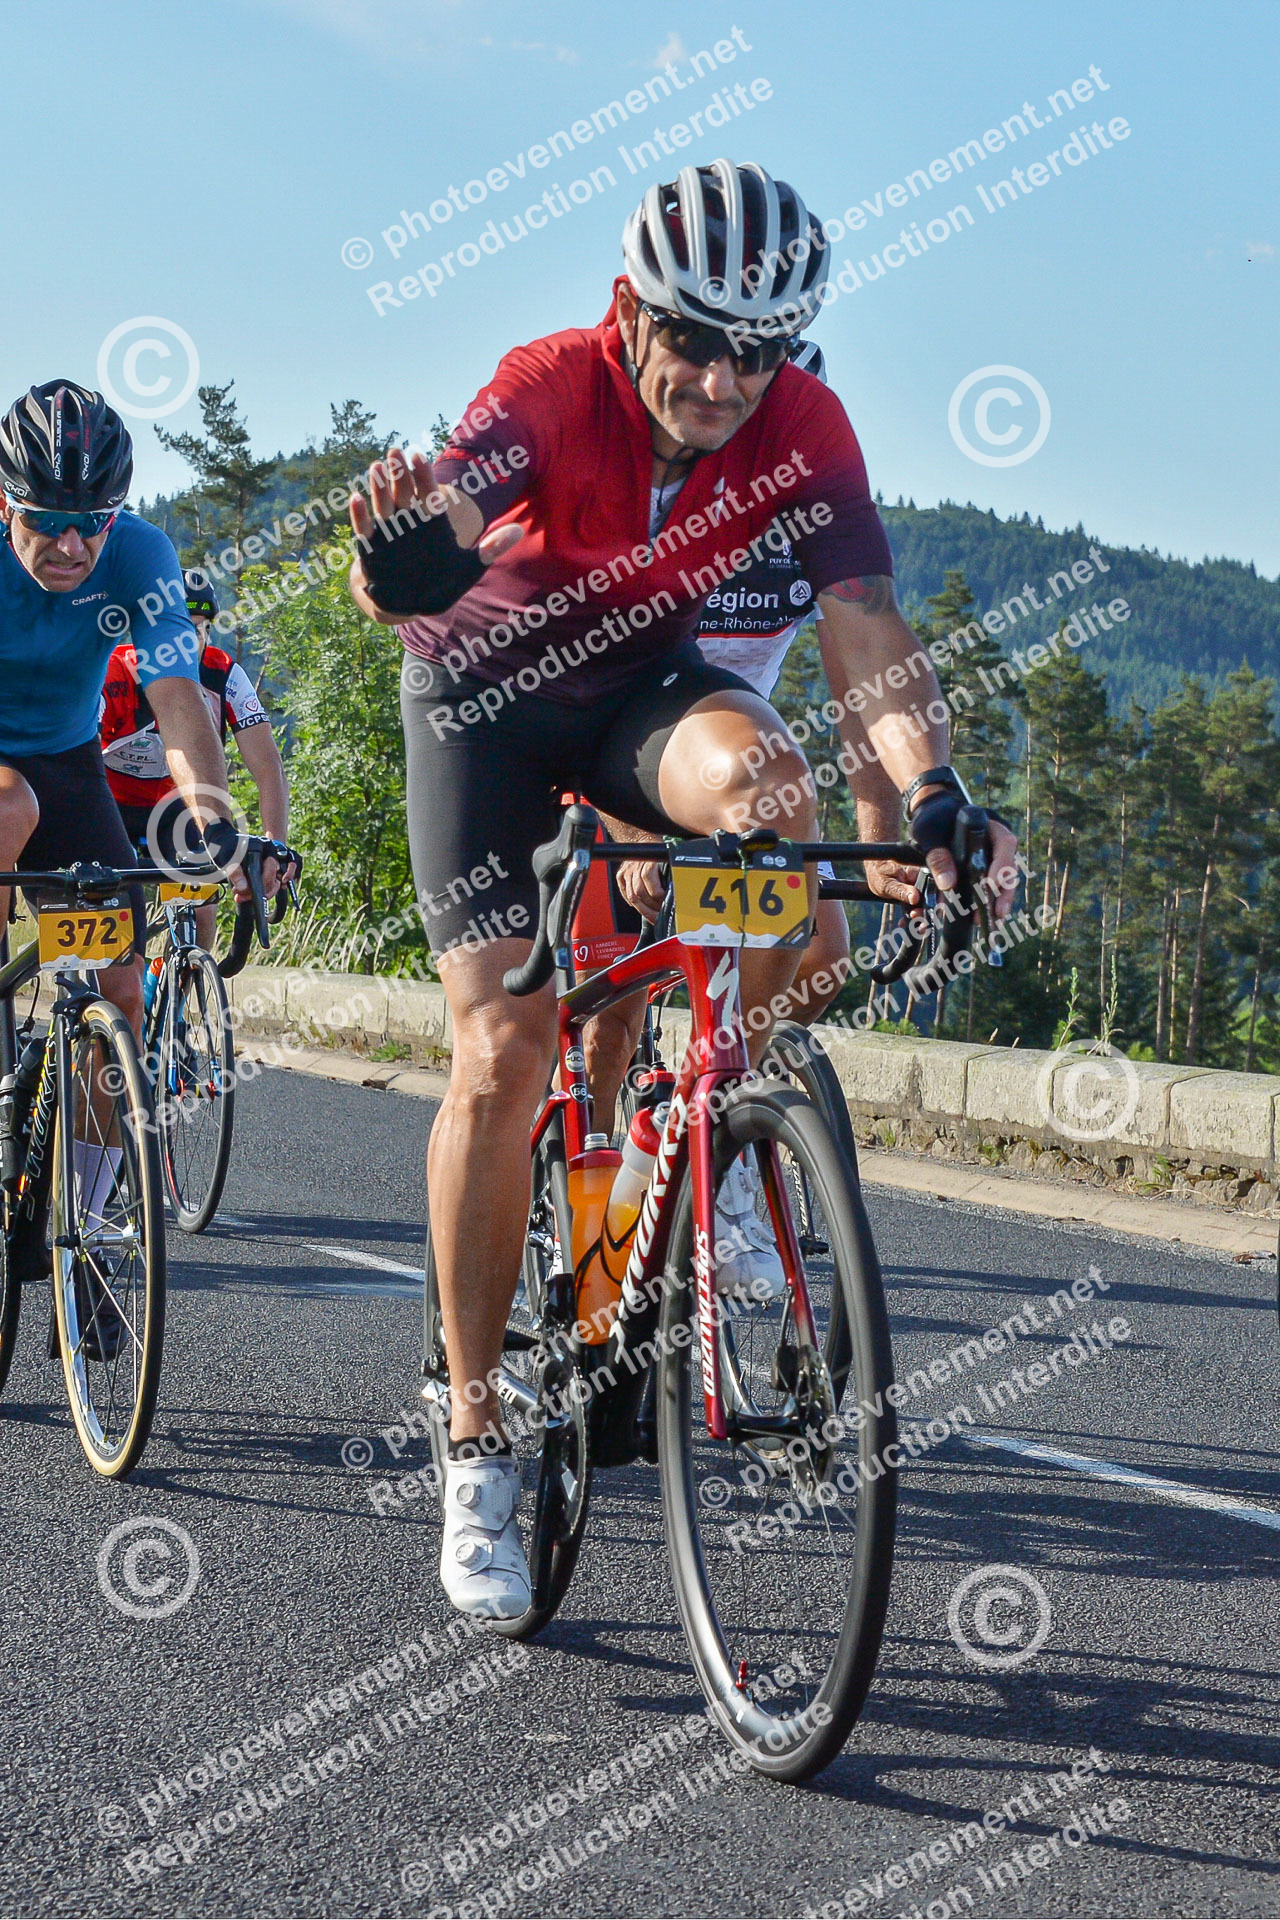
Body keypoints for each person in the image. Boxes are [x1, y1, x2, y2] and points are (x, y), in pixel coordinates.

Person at [346, 159, 1018, 1622]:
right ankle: (478, 1430)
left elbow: (862, 620)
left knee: (772, 794)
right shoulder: (550, 383)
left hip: (638, 691)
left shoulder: (803, 422)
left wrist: (931, 793)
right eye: (695, 340)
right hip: (482, 703)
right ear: (630, 308)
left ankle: (706, 1121)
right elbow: (444, 517)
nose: (722, 380)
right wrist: (400, 566)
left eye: (756, 351)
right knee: (503, 1049)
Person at [0, 379, 268, 1352]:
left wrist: (210, 813)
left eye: (92, 523)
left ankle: (87, 1228)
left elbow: (176, 698)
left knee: (120, 980)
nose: (71, 545)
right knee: (8, 806)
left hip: (66, 760)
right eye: (45, 522)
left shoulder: (142, 554)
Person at [100, 567, 294, 965]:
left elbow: (268, 768)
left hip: (179, 806)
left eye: (201, 628)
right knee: (119, 914)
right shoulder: (115, 671)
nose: (190, 639)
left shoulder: (225, 675)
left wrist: (275, 843)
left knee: (202, 911)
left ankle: (177, 984)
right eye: (177, 627)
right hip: (110, 802)